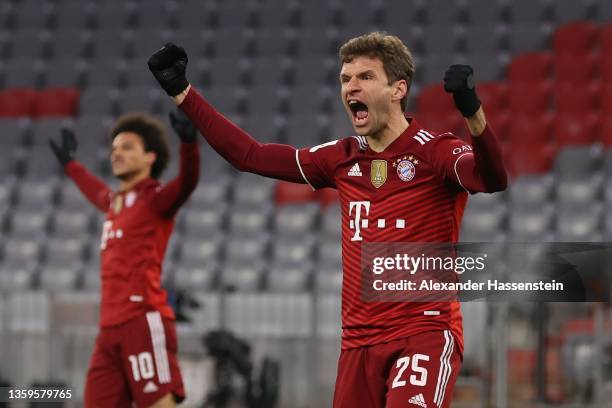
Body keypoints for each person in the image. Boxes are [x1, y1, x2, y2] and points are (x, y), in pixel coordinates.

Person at [147, 32, 508, 407]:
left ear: (398, 89)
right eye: (345, 79)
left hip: (424, 332)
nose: (351, 87)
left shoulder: (436, 152)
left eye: (365, 77)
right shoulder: (341, 157)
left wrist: (472, 111)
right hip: (358, 343)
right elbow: (249, 155)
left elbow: (492, 178)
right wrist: (183, 93)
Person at [49, 111, 200, 407]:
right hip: (108, 331)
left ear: (150, 158)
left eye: (127, 147)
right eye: (114, 148)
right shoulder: (115, 203)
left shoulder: (156, 199)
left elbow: (187, 183)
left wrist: (189, 145)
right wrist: (71, 164)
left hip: (142, 321)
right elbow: (95, 191)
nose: (117, 153)